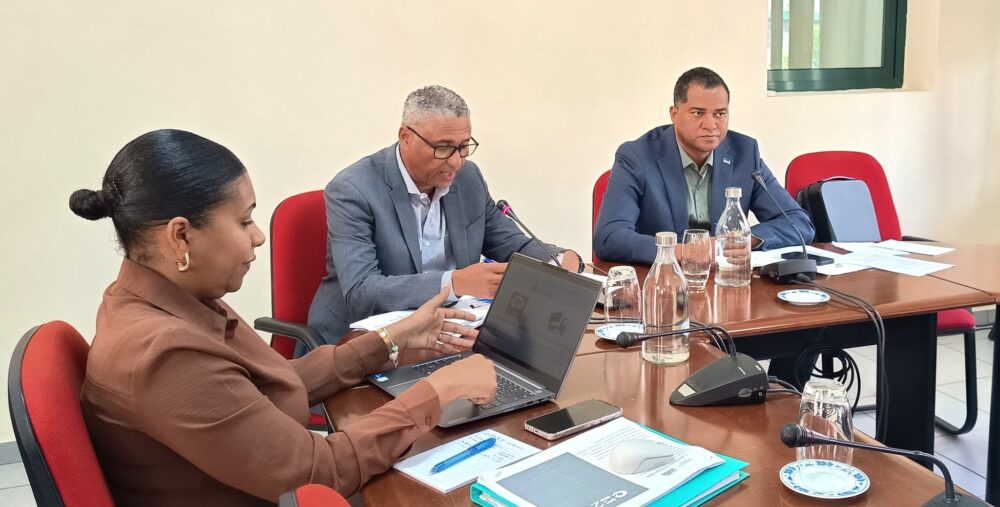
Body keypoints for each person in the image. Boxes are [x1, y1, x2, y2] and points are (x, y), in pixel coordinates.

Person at [72, 129, 497, 505]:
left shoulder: (165, 298)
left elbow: (271, 383)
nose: (258, 236)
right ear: (181, 236)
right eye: (244, 221)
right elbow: (319, 472)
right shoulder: (164, 354)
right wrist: (439, 391)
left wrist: (392, 340)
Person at [309, 85, 583, 343]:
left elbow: (510, 244)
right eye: (443, 148)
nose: (456, 161)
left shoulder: (468, 178)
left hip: (449, 331)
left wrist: (558, 260)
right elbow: (361, 291)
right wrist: (453, 283)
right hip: (365, 341)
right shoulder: (353, 189)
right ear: (405, 137)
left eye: (464, 147)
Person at [593, 67, 815, 265]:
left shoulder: (745, 154)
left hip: (726, 282)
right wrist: (684, 252)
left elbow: (799, 223)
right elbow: (609, 237)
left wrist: (747, 240)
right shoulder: (637, 156)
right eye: (698, 113)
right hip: (664, 284)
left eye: (720, 114)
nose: (710, 125)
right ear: (674, 114)